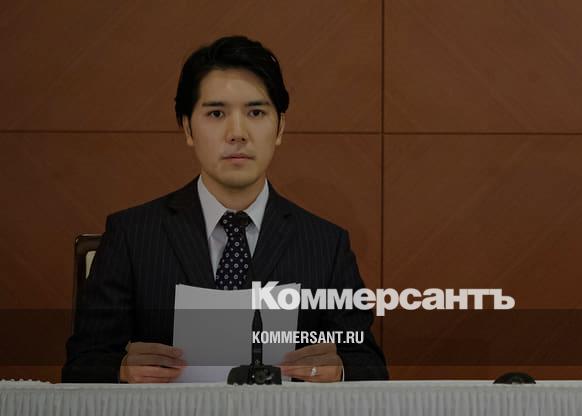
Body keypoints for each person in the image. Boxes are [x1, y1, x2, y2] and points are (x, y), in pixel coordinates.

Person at [63, 36, 388, 383]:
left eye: (256, 113)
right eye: (216, 114)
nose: (237, 133)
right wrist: (121, 370)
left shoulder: (326, 245)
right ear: (188, 127)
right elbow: (81, 365)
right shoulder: (132, 235)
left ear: (280, 127)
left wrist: (339, 370)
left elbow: (369, 365)